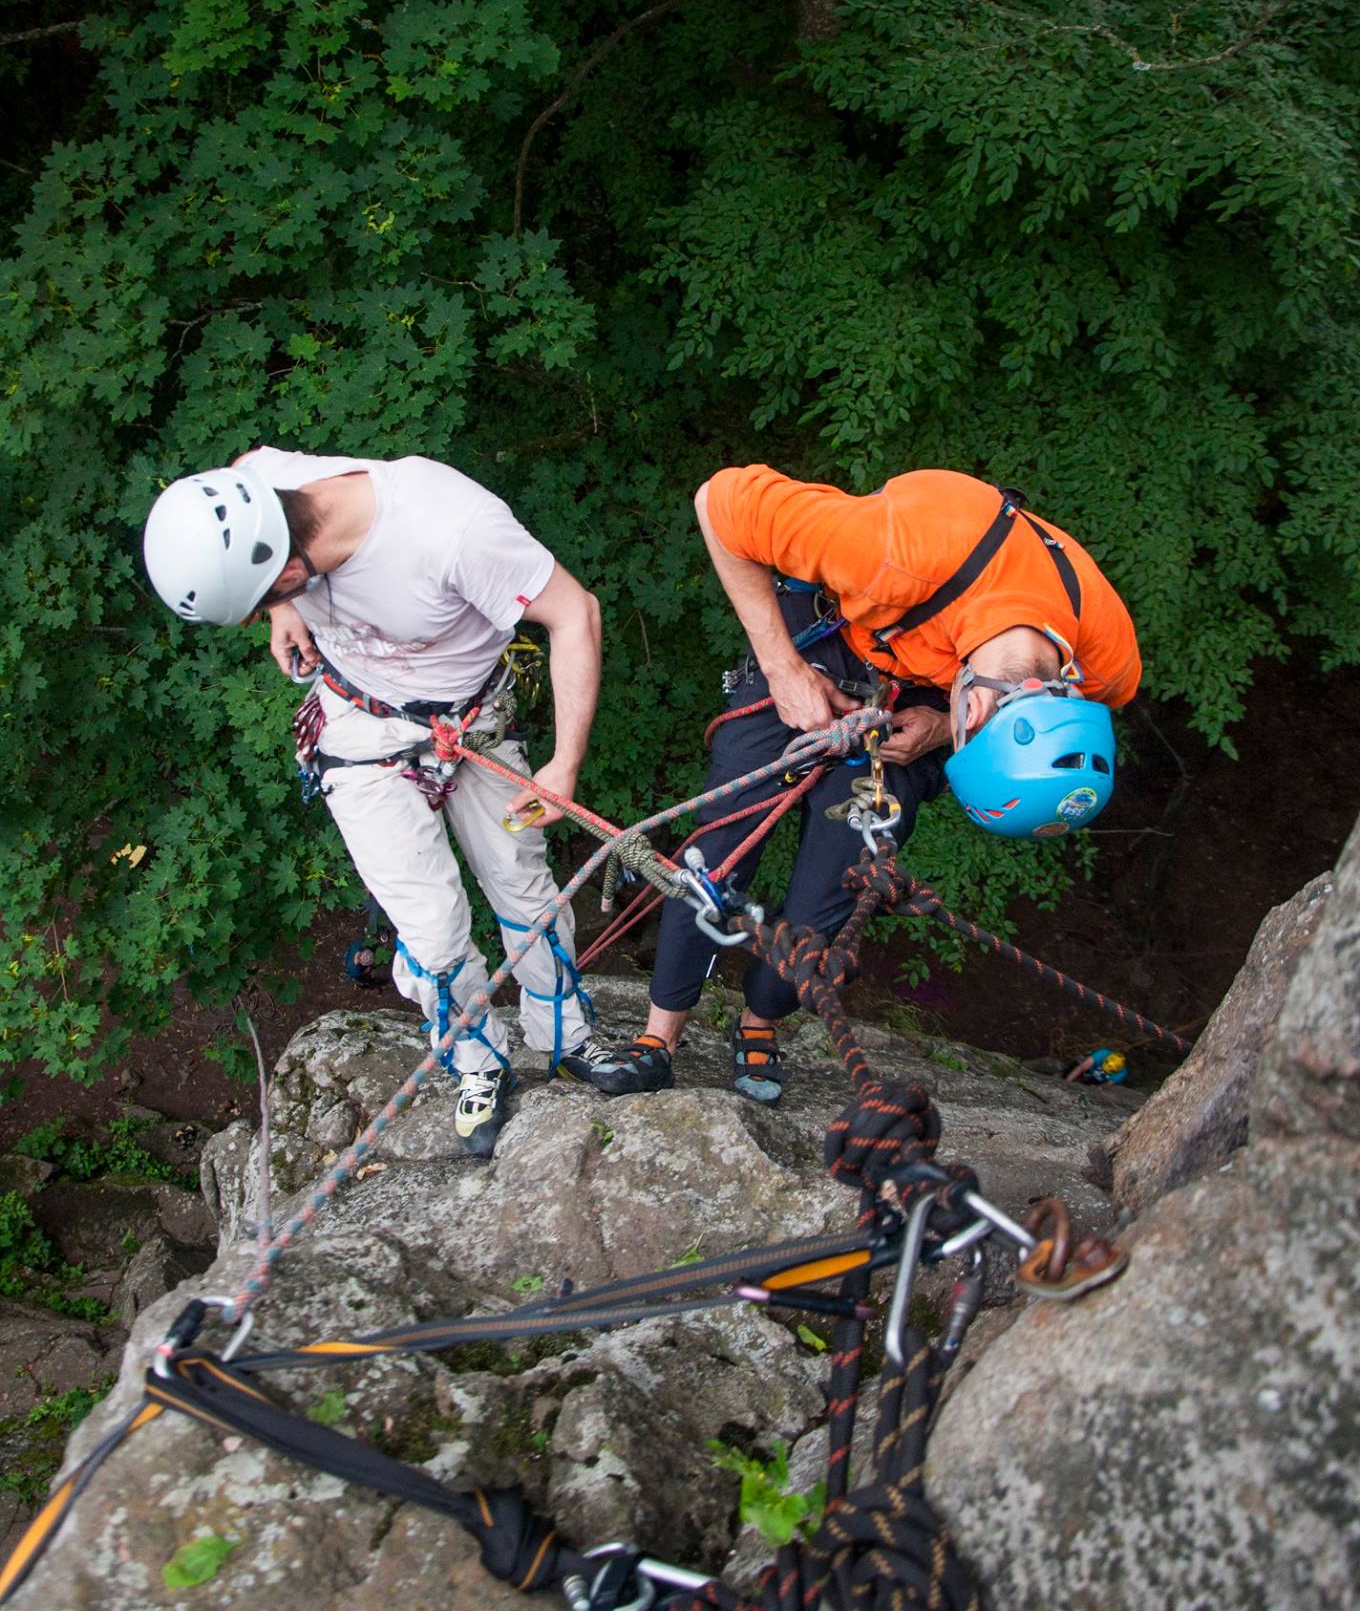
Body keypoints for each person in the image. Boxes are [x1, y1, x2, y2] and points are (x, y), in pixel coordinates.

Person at [567, 466, 1140, 1107]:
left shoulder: (1107, 660)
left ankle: (759, 1021)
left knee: (828, 905)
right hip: (826, 636)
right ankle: (659, 1039)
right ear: (979, 710)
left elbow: (1062, 708)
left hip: (915, 703)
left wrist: (939, 732)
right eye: (967, 730)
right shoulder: (892, 550)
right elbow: (717, 503)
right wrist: (783, 669)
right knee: (717, 853)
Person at [142, 451, 602, 1158]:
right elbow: (245, 468)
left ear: (289, 567)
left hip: (472, 720)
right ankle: (479, 1061)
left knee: (524, 888)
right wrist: (285, 613)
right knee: (433, 927)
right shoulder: (261, 484)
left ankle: (566, 1035)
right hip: (359, 728)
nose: (271, 608)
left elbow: (575, 614)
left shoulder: (449, 528)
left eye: (269, 597)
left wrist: (564, 765)